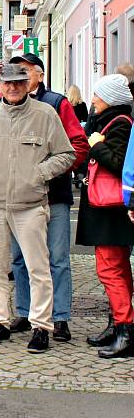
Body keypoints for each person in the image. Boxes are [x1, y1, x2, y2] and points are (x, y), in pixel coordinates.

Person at [0, 63, 75, 353]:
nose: (13, 88)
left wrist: (38, 174)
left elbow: (66, 154)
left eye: (18, 82)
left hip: (30, 205)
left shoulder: (45, 114)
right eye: (8, 83)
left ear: (28, 84)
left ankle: (41, 326)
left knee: (38, 267)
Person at [7, 54, 89, 344]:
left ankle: (60, 316)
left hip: (54, 194)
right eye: (16, 71)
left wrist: (48, 171)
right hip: (19, 197)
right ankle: (26, 310)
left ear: (39, 75)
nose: (19, 77)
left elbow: (78, 145)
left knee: (57, 258)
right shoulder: (6, 104)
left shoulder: (57, 103)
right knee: (19, 258)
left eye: (26, 71)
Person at [76, 74, 134, 358]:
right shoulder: (113, 121)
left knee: (110, 269)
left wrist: (96, 144)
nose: (94, 100)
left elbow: (121, 164)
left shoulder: (120, 124)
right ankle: (117, 324)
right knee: (118, 268)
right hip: (109, 209)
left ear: (110, 98)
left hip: (110, 209)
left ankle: (125, 329)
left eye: (98, 95)